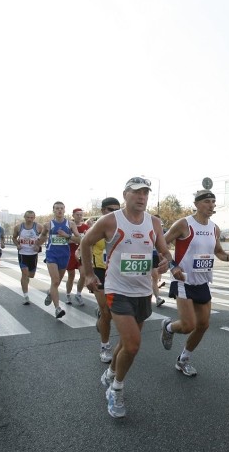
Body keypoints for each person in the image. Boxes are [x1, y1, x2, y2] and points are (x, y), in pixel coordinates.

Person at [81, 177, 175, 418]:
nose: (142, 197)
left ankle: (111, 372)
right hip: (117, 290)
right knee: (133, 344)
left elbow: (164, 250)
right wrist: (90, 274)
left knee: (125, 343)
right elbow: (85, 241)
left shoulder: (153, 222)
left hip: (143, 291)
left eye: (145, 193)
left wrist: (166, 261)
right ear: (126, 195)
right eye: (136, 192)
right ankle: (116, 389)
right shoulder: (111, 220)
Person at [160, 189, 229, 376]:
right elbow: (162, 244)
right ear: (196, 204)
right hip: (183, 280)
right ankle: (168, 327)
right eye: (207, 201)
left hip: (202, 281)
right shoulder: (184, 224)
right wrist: (173, 266)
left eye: (213, 201)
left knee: (203, 325)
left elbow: (218, 251)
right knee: (188, 325)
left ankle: (183, 360)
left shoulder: (214, 228)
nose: (211, 205)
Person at [89, 197, 121, 363]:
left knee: (112, 312)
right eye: (110, 209)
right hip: (100, 272)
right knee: (107, 313)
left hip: (116, 273)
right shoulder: (97, 227)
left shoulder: (121, 225)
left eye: (117, 209)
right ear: (103, 211)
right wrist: (88, 273)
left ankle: (101, 314)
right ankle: (105, 346)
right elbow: (84, 245)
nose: (114, 212)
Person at [39, 201, 79, 319]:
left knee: (56, 283)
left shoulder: (70, 224)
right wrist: (37, 243)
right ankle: (57, 308)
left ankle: (50, 293)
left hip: (65, 255)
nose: (59, 210)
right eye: (57, 208)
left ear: (64, 210)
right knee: (55, 281)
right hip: (52, 255)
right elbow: (42, 237)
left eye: (61, 208)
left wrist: (66, 236)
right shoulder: (48, 225)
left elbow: (79, 239)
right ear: (53, 210)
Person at [12, 210, 42, 305]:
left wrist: (38, 245)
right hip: (23, 254)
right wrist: (17, 244)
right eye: (28, 217)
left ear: (34, 218)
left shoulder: (38, 226)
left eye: (31, 217)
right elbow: (14, 237)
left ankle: (25, 282)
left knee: (31, 275)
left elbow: (44, 236)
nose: (29, 219)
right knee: (24, 274)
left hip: (33, 255)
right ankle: (25, 296)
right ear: (24, 217)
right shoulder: (18, 227)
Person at [65, 208, 89, 306]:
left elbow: (87, 240)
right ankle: (68, 295)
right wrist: (77, 239)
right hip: (70, 253)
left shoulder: (85, 226)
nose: (79, 216)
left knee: (83, 275)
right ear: (73, 215)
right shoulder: (68, 226)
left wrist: (77, 240)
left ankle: (78, 294)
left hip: (81, 253)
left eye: (81, 214)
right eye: (77, 214)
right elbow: (66, 240)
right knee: (71, 276)